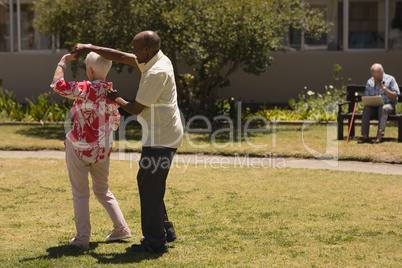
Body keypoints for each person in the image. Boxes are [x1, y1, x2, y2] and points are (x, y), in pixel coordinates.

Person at [72, 30, 183, 254]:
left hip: (162, 137)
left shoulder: (156, 72)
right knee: (150, 183)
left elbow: (134, 108)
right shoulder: (157, 56)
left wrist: (115, 97)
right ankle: (165, 231)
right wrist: (90, 47)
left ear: (148, 49)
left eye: (136, 49)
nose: (133, 53)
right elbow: (120, 56)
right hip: (162, 133)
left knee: (150, 187)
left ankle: (155, 243)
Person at [50, 52, 131, 248]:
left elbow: (57, 85)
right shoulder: (112, 93)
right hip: (102, 150)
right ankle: (121, 229)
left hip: (79, 147)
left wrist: (62, 62)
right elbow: (114, 122)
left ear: (90, 70)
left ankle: (82, 238)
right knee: (103, 190)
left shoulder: (84, 88)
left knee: (80, 193)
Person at [359, 63, 400, 144]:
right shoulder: (369, 82)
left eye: (378, 77)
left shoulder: (391, 79)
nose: (376, 79)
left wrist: (384, 88)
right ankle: (365, 136)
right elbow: (366, 97)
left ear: (382, 72)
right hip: (375, 106)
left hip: (388, 106)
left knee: (383, 108)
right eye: (375, 77)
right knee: (366, 108)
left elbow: (395, 97)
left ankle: (379, 137)